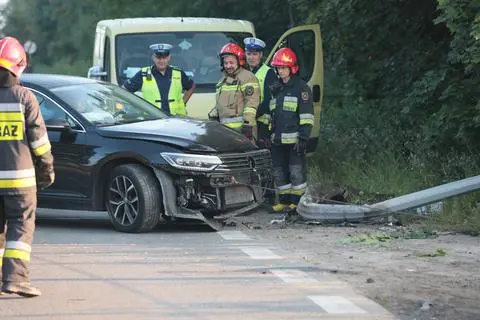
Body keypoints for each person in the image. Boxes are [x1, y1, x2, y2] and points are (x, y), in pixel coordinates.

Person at [0, 36, 55, 297]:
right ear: (19, 65)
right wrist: (47, 172)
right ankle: (16, 279)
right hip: (20, 184)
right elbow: (40, 144)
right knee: (21, 227)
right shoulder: (25, 98)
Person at [268, 47, 314, 213]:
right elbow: (272, 115)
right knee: (279, 173)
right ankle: (284, 202)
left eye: (283, 68)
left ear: (292, 68)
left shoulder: (302, 88)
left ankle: (298, 203)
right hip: (278, 140)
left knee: (296, 173)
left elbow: (307, 116)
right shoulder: (276, 89)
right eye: (279, 68)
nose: (281, 71)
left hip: (295, 141)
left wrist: (303, 138)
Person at [122, 43, 196, 116]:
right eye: (158, 58)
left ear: (169, 57)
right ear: (153, 58)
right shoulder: (143, 73)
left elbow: (191, 86)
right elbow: (125, 89)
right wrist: (137, 107)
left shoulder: (178, 73)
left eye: (164, 58)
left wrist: (183, 103)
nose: (161, 61)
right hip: (153, 118)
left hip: (176, 118)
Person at [211, 42, 260, 141]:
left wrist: (247, 125)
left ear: (239, 62)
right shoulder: (222, 81)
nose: (228, 66)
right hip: (225, 133)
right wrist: (213, 115)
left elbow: (251, 103)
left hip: (243, 133)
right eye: (225, 63)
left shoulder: (247, 77)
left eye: (231, 63)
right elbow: (220, 104)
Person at [243, 37, 277, 149]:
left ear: (261, 55)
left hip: (262, 125)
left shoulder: (269, 73)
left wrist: (250, 116)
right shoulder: (243, 73)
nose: (251, 57)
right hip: (246, 123)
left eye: (255, 54)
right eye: (249, 54)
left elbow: (269, 101)